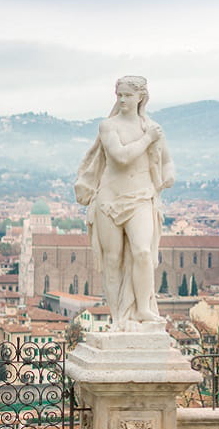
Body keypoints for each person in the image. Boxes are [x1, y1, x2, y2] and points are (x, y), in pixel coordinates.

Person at [74, 75, 174, 331]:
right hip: (109, 200)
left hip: (141, 198)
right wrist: (147, 139)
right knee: (112, 259)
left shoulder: (154, 128)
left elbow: (166, 160)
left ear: (141, 97)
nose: (122, 100)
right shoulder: (109, 126)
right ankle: (118, 315)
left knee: (142, 252)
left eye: (128, 95)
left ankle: (142, 308)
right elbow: (120, 157)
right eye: (119, 95)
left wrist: (169, 174)